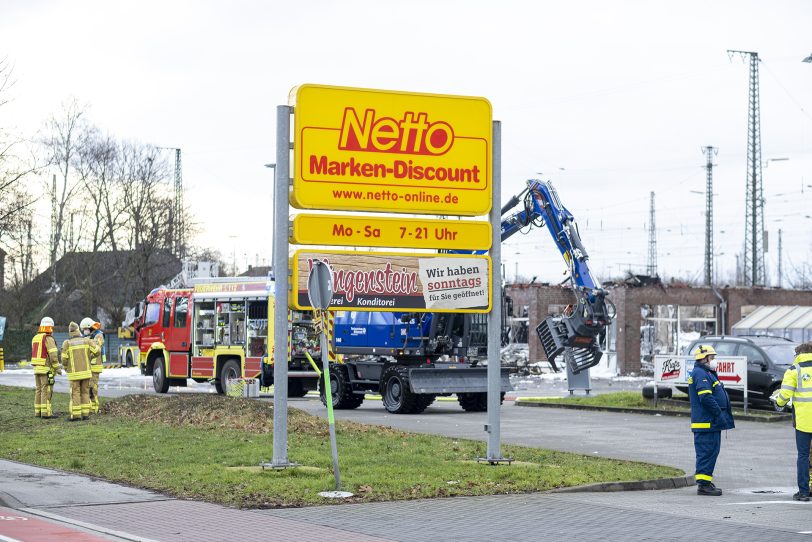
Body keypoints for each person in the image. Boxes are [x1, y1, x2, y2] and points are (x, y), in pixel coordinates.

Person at [688, 344, 735, 496]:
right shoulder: (700, 374)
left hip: (710, 422)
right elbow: (706, 397)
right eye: (712, 358)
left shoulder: (706, 372)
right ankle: (703, 486)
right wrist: (718, 414)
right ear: (704, 358)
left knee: (711, 452)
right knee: (707, 452)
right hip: (706, 422)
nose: (714, 360)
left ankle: (706, 481)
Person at [771, 342, 812, 502]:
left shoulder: (794, 370)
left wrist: (779, 402)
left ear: (798, 354)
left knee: (803, 455)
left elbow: (785, 395)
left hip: (803, 421)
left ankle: (803, 492)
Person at [61, 321, 98, 421]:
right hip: (86, 372)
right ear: (78, 330)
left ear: (70, 332)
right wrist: (89, 357)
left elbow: (64, 359)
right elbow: (97, 351)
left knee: (75, 393)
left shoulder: (67, 343)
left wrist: (66, 368)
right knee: (85, 392)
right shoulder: (86, 341)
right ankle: (85, 414)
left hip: (74, 374)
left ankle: (76, 415)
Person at [30, 317, 62, 418]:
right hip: (46, 369)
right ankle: (46, 413)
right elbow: (53, 356)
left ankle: (38, 412)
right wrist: (58, 368)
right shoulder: (48, 339)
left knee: (38, 390)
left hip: (36, 369)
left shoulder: (35, 337)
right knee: (46, 390)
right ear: (50, 327)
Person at [80, 317, 104, 414]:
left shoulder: (99, 335)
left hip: (95, 366)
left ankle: (94, 409)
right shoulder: (88, 336)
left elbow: (95, 348)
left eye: (85, 329)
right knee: (87, 388)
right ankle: (89, 407)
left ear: (90, 328)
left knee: (93, 388)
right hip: (88, 366)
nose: (84, 331)